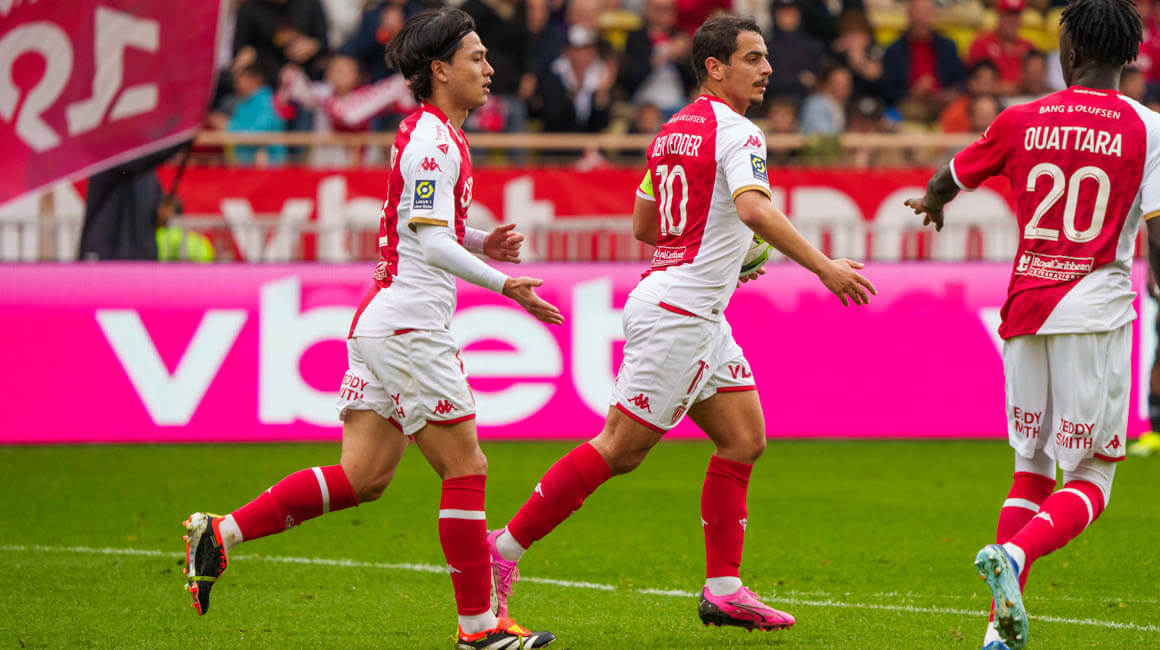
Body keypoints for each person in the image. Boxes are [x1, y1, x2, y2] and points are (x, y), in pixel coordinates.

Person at [183, 9, 562, 649]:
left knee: (363, 477)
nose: (489, 68)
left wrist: (481, 242)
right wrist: (505, 285)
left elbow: (422, 225)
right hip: (409, 326)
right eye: (476, 57)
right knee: (465, 465)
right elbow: (430, 242)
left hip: (386, 320)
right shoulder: (434, 142)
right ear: (440, 70)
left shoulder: (432, 132)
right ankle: (479, 630)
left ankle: (221, 534)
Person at [486, 15, 876, 634]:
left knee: (743, 438)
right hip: (681, 311)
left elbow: (645, 225)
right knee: (619, 449)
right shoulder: (740, 132)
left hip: (691, 305)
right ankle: (501, 551)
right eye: (753, 58)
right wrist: (823, 266)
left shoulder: (671, 131)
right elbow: (754, 209)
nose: (767, 69)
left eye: (765, 57)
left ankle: (724, 590)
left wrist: (716, 247)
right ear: (715, 68)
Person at [904, 1, 1150, 647]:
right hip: (1092, 311)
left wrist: (933, 202)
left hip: (1023, 312)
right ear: (1128, 56)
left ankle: (997, 632)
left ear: (1069, 52)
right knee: (1093, 476)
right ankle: (1014, 556)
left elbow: (948, 177)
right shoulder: (1148, 128)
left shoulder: (1021, 118)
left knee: (1031, 467)